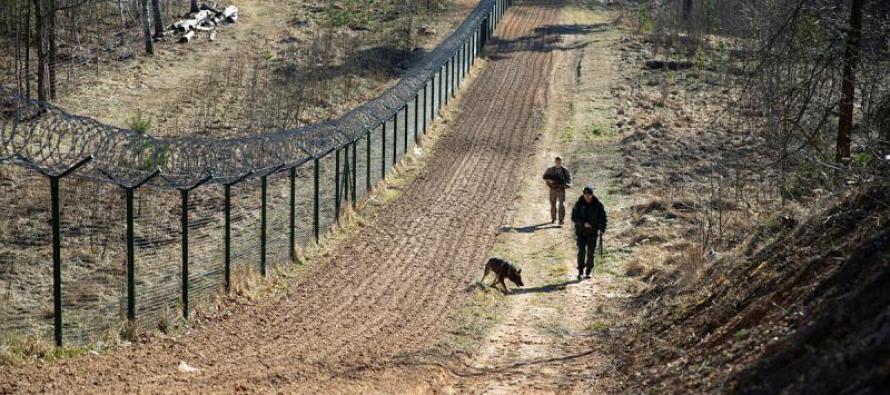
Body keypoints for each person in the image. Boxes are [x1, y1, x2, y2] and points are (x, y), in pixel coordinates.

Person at [571, 185, 607, 280]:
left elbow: (604, 218)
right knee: (581, 252)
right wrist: (583, 223)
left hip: (593, 233)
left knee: (591, 253)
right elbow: (574, 218)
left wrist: (602, 229)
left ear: (592, 194)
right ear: (583, 194)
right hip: (581, 233)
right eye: (585, 194)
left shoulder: (598, 205)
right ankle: (580, 272)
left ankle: (588, 271)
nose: (587, 196)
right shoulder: (578, 204)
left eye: (589, 194)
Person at [542, 157, 571, 224]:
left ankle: (561, 220)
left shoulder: (564, 170)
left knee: (561, 205)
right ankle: (553, 218)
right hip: (552, 189)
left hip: (561, 189)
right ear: (555, 162)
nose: (558, 162)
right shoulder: (550, 170)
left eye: (559, 161)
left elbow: (569, 179)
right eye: (557, 161)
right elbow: (544, 177)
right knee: (553, 204)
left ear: (561, 162)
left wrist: (566, 184)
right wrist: (549, 181)